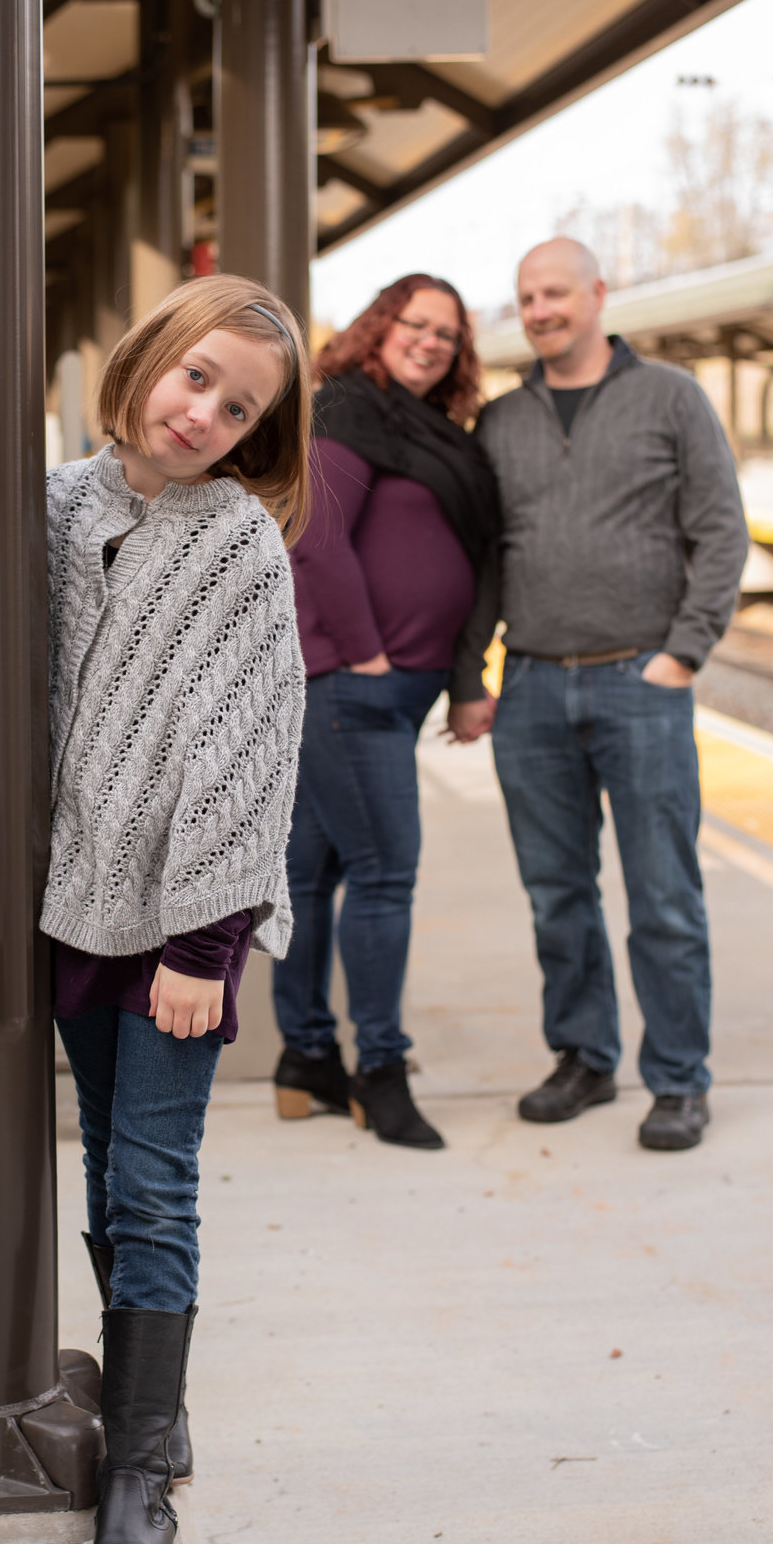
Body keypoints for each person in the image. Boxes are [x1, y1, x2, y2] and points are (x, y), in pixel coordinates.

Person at [0, 275, 309, 1544]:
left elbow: (249, 742)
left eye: (237, 409)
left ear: (255, 437)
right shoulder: (50, 506)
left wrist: (206, 942)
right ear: (150, 360)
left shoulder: (236, 542)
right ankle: (149, 1403)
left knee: (149, 1180)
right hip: (64, 904)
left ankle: (138, 1469)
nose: (205, 415)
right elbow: (6, 674)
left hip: (179, 925)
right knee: (110, 1166)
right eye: (196, 380)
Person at [472, 237, 748, 1152]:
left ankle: (677, 1080)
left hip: (642, 681)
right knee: (559, 894)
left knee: (664, 894)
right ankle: (585, 1058)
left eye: (555, 291)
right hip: (535, 686)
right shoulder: (502, 421)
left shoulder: (670, 396)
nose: (540, 308)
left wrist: (684, 654)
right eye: (526, 296)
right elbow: (485, 558)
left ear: (598, 293)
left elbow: (721, 532)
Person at [271, 274, 500, 1149]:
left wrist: (457, 671)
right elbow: (318, 539)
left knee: (315, 874)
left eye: (448, 331)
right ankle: (382, 1070)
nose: (430, 340)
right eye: (416, 322)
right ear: (380, 327)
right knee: (385, 874)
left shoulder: (437, 433)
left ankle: (306, 1060)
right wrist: (366, 649)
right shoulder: (349, 411)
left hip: (392, 691)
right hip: (351, 687)